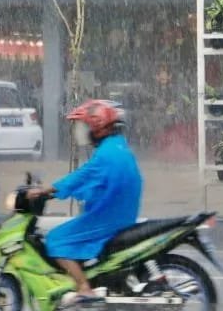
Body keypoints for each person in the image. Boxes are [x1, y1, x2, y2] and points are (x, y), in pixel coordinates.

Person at [27, 99, 142, 304]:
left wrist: (46, 190)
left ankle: (84, 288)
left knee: (56, 239)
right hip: (119, 211)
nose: (80, 132)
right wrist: (58, 191)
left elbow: (80, 178)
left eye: (84, 126)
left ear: (98, 127)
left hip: (108, 217)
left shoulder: (106, 154)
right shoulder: (116, 146)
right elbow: (93, 180)